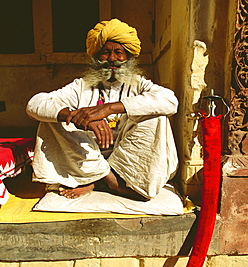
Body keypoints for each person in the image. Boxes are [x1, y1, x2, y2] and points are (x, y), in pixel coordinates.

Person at [26, 18, 179, 202]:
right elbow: (34, 104)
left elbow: (170, 101)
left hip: (127, 160)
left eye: (118, 52)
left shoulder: (138, 84)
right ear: (96, 58)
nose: (112, 59)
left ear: (128, 57)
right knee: (52, 118)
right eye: (105, 53)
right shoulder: (81, 86)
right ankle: (105, 179)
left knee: (157, 116)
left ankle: (117, 179)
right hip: (88, 158)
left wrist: (108, 109)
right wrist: (77, 117)